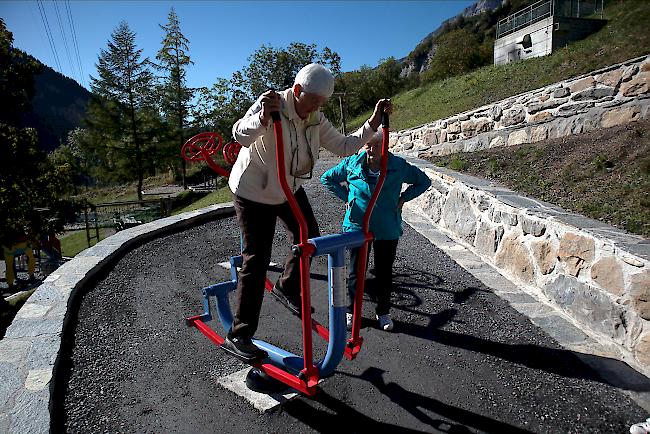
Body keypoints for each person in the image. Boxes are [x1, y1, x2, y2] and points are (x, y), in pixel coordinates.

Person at [223, 63, 392, 361]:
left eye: (322, 103)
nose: (317, 108)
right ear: (298, 91)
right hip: (254, 192)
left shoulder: (314, 118)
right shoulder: (272, 103)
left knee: (309, 238)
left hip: (288, 188)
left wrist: (373, 123)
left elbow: (343, 145)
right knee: (257, 259)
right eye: (314, 101)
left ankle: (287, 288)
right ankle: (240, 333)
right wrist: (263, 117)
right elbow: (240, 134)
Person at [321, 129, 431, 332]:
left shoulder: (398, 166)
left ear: (385, 146)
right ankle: (351, 311)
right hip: (357, 226)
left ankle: (383, 312)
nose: (371, 150)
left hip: (386, 227)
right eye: (367, 145)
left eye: (376, 145)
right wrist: (347, 197)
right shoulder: (352, 163)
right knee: (356, 272)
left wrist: (403, 198)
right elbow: (327, 179)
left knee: (384, 272)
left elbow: (424, 181)